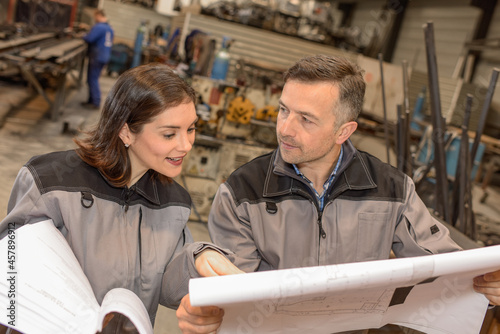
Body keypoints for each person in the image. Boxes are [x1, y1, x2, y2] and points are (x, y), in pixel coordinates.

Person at [177, 54, 500, 332]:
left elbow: (446, 266)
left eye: (306, 119)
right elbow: (235, 294)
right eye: (284, 110)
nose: (285, 128)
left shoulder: (393, 190)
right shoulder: (242, 192)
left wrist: (486, 282)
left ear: (344, 131)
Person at [0, 63, 241, 333]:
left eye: (191, 129)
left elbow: (168, 283)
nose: (185, 145)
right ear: (126, 131)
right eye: (169, 134)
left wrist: (200, 259)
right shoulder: (49, 183)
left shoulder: (174, 201)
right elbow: (9, 275)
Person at [81, 9, 114, 110]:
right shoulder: (109, 28)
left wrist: (82, 35)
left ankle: (95, 102)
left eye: (95, 17)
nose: (95, 19)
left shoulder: (99, 26)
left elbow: (89, 38)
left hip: (97, 56)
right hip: (104, 56)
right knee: (93, 78)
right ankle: (92, 101)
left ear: (99, 16)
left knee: (92, 79)